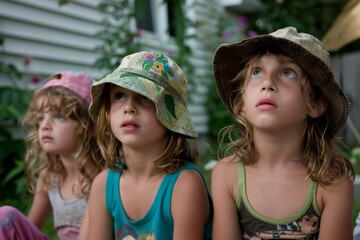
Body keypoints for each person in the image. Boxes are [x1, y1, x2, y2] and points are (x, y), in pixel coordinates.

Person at [211, 27, 355, 240]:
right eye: (257, 72)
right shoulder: (227, 174)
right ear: (241, 103)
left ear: (315, 103)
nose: (267, 84)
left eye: (288, 73)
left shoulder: (332, 181)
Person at [79, 51, 213, 240]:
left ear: (171, 116)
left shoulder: (184, 185)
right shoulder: (104, 183)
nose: (129, 107)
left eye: (144, 97)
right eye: (118, 96)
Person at [0, 71, 103, 240]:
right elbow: (27, 230)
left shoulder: (104, 177)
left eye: (59, 117)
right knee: (6, 217)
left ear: (90, 127)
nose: (45, 126)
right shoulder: (50, 176)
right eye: (40, 118)